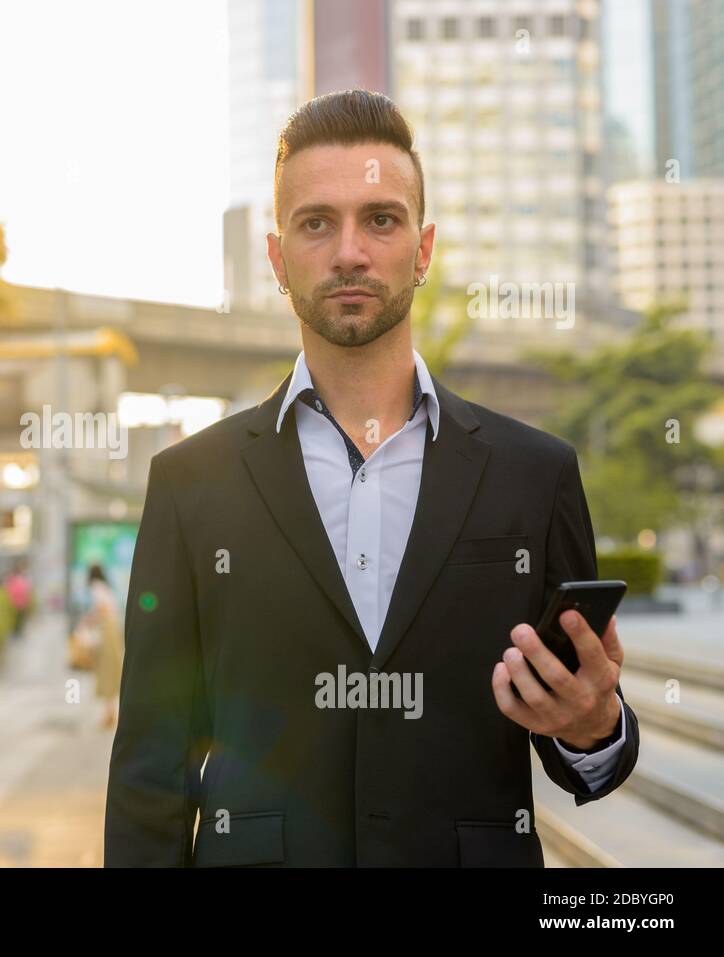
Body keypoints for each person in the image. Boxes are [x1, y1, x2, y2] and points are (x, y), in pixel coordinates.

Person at [104, 90, 640, 868]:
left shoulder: (538, 475)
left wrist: (594, 723)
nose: (349, 251)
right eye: (316, 222)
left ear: (422, 251)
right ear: (277, 256)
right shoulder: (189, 484)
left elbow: (587, 747)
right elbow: (152, 770)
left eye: (380, 219)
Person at [79, 564, 124, 729]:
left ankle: (109, 714)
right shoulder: (106, 587)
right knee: (110, 670)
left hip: (106, 631)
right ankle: (110, 712)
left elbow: (102, 609)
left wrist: (88, 619)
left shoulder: (96, 588)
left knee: (106, 670)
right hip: (112, 630)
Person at [4, 561, 33, 639]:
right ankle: (17, 632)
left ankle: (17, 632)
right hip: (19, 602)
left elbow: (9, 590)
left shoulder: (13, 580)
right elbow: (26, 590)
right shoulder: (19, 580)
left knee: (18, 619)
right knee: (18, 619)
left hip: (17, 603)